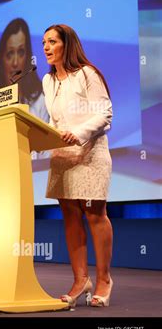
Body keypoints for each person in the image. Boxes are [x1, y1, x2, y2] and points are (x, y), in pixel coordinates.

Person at [42, 24, 113, 308]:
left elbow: (105, 114)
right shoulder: (48, 81)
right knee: (70, 216)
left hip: (89, 152)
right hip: (62, 155)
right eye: (44, 42)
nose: (46, 47)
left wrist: (80, 134)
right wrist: (39, 137)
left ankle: (105, 279)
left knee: (94, 214)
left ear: (67, 45)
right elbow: (55, 121)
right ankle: (80, 280)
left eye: (52, 42)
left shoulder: (87, 73)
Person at [0, 18, 50, 169]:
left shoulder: (41, 100)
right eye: (9, 54)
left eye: (21, 52)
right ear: (1, 59)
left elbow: (46, 158)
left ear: (28, 56)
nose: (15, 62)